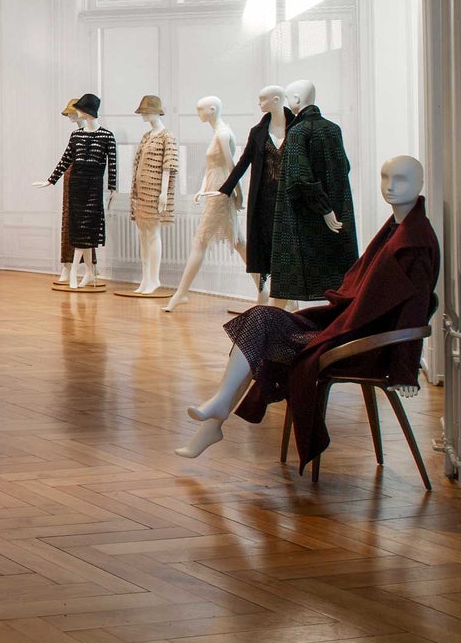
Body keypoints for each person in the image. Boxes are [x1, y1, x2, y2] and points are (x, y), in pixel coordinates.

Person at [176, 156, 438, 468]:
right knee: (260, 320)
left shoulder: (415, 241)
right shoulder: (396, 229)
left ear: (420, 184)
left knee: (262, 326)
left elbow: (415, 309)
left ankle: (216, 417)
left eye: (401, 179)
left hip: (362, 344)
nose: (391, 186)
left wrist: (405, 370)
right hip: (348, 328)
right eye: (385, 177)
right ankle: (216, 414)